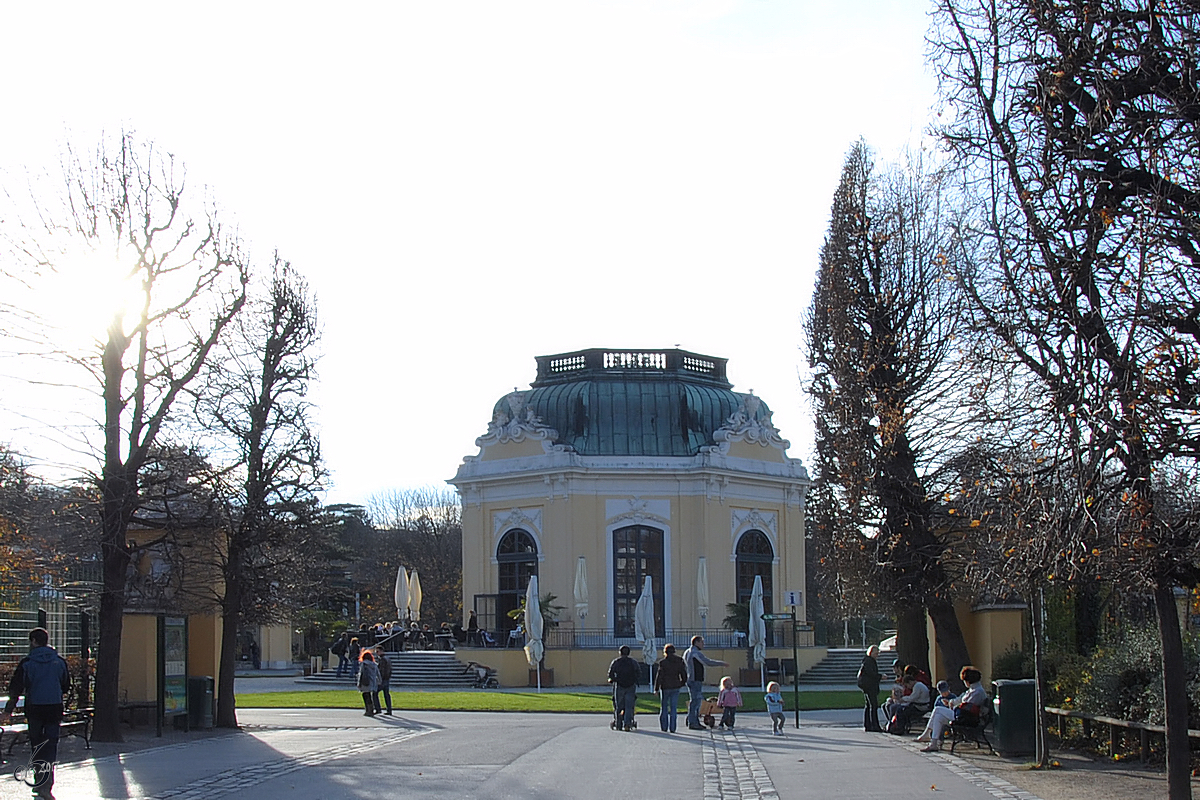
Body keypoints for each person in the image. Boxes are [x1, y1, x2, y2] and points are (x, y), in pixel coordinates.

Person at [1, 627, 71, 800]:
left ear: (33, 641)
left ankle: (39, 782)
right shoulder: (59, 662)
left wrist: (8, 711)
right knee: (50, 747)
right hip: (54, 709)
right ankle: (47, 785)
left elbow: (16, 688)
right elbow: (66, 686)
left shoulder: (27, 663)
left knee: (37, 746)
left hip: (35, 710)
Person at [918, 666, 988, 751]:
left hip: (967, 718)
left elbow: (965, 705)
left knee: (938, 709)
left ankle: (927, 734)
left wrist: (953, 705)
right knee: (938, 717)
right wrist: (952, 703)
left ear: (968, 681)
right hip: (964, 715)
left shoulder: (977, 692)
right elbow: (961, 701)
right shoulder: (974, 689)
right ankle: (934, 742)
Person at [683, 635, 727, 731]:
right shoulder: (695, 653)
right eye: (702, 642)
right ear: (697, 642)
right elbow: (707, 662)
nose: (703, 644)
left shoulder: (687, 652)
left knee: (694, 701)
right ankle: (693, 722)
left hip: (690, 679)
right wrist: (721, 663)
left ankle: (693, 720)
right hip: (695, 679)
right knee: (696, 702)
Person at [653, 643, 687, 733]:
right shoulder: (679, 660)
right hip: (676, 685)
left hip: (665, 686)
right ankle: (673, 728)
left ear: (665, 652)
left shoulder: (663, 662)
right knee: (673, 707)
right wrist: (682, 683)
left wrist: (656, 688)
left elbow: (659, 676)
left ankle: (664, 727)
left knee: (664, 707)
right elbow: (683, 673)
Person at [607, 645, 639, 731]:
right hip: (631, 685)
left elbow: (610, 673)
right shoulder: (633, 662)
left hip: (619, 685)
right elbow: (638, 672)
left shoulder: (616, 662)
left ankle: (618, 723)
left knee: (618, 705)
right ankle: (627, 723)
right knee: (629, 706)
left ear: (620, 652)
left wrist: (613, 679)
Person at [857, 644, 883, 732]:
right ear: (871, 653)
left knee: (868, 705)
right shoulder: (869, 661)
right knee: (873, 705)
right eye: (876, 653)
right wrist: (880, 676)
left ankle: (868, 725)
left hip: (867, 685)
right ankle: (874, 725)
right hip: (869, 686)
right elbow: (871, 674)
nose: (877, 655)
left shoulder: (867, 661)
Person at [357, 650, 381, 716]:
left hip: (365, 682)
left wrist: (359, 683)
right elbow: (378, 674)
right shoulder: (374, 664)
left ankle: (368, 710)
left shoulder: (364, 664)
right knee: (369, 696)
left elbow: (361, 673)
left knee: (365, 695)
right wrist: (379, 681)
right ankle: (371, 709)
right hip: (373, 682)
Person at [373, 647, 393, 715]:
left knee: (375, 693)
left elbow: (381, 670)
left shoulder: (382, 660)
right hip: (386, 679)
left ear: (381, 651)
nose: (376, 653)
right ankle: (389, 710)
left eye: (377, 651)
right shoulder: (387, 659)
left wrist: (379, 679)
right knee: (386, 694)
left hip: (382, 679)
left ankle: (378, 708)